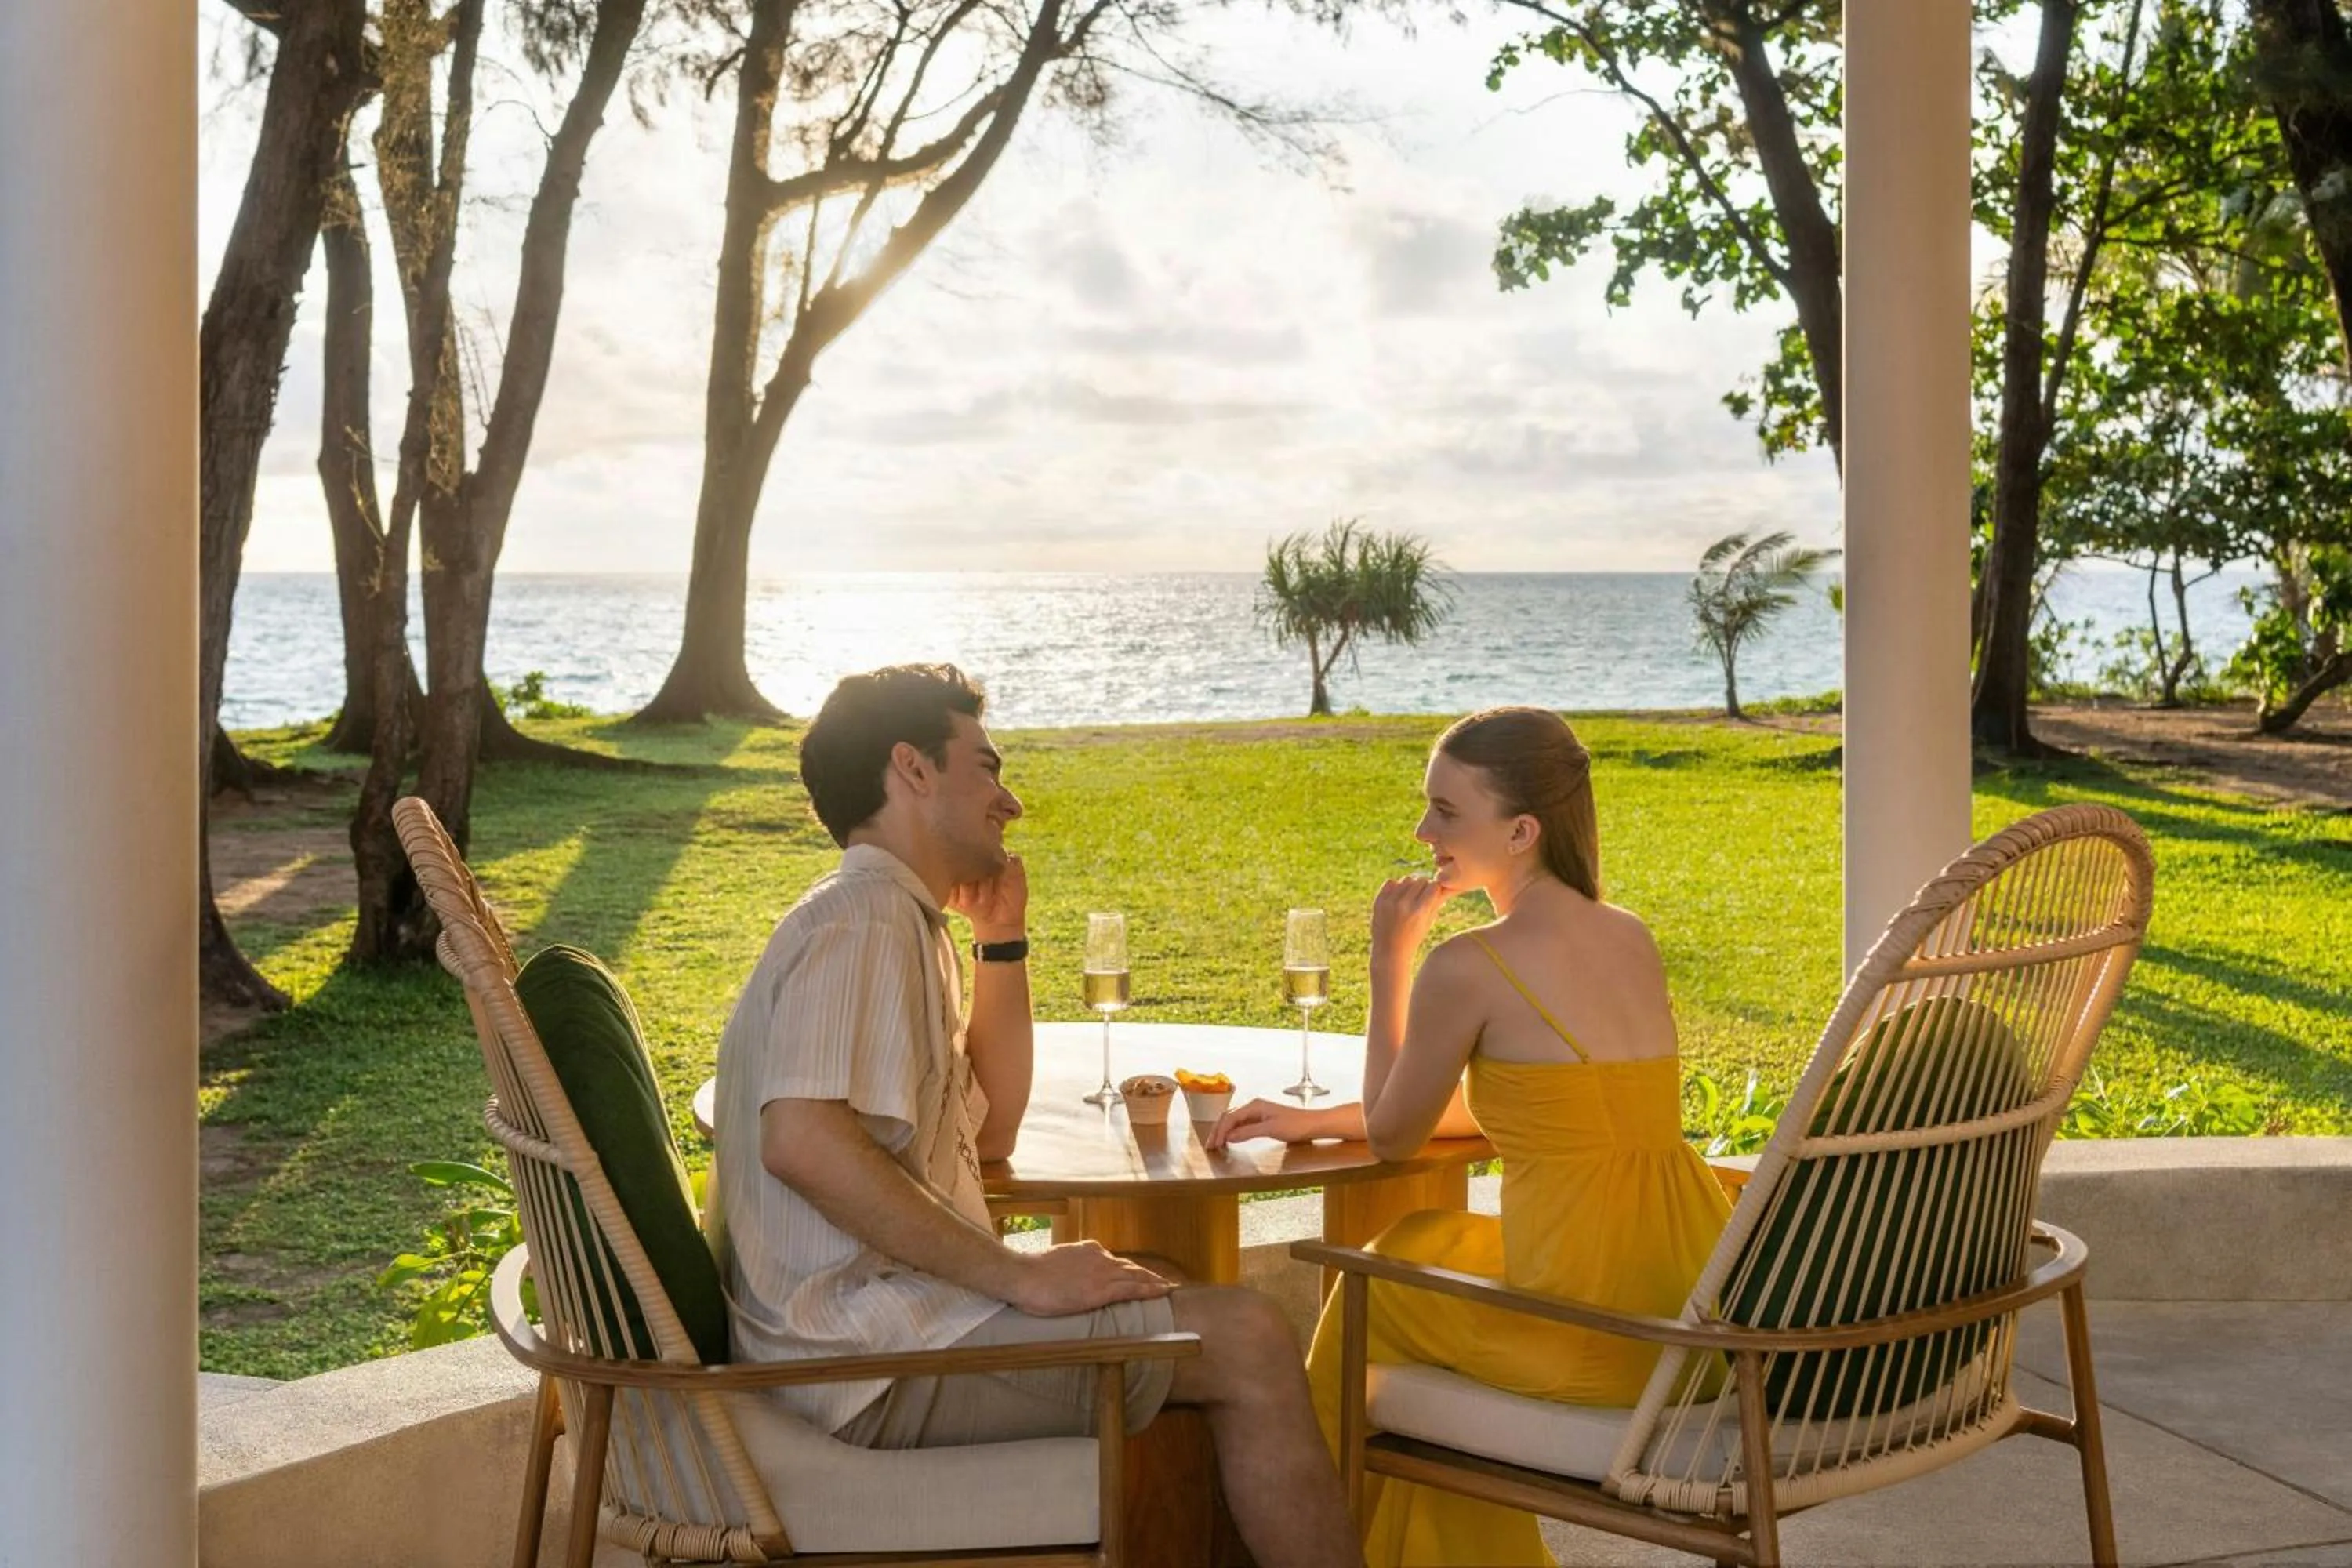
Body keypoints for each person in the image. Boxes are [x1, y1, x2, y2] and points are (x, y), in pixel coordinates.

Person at [706, 663, 1356, 1568]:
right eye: (987, 765)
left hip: (878, 1340)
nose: (1009, 800)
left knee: (1158, 1276)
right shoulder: (859, 920)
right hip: (857, 1365)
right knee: (1247, 1339)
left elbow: (992, 1129)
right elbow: (802, 1140)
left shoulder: (904, 921)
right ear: (913, 768)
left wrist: (1000, 939)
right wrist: (1018, 1272)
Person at [1208, 706, 1735, 1567]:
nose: (1423, 831)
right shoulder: (1627, 935)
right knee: (1421, 1245)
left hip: (1588, 1329)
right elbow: (1534, 1104)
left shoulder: (1469, 964)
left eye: (1447, 812)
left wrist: (1392, 957)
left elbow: (1393, 1133)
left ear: (1523, 828)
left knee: (1374, 1293)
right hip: (1683, 1307)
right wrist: (1316, 1118)